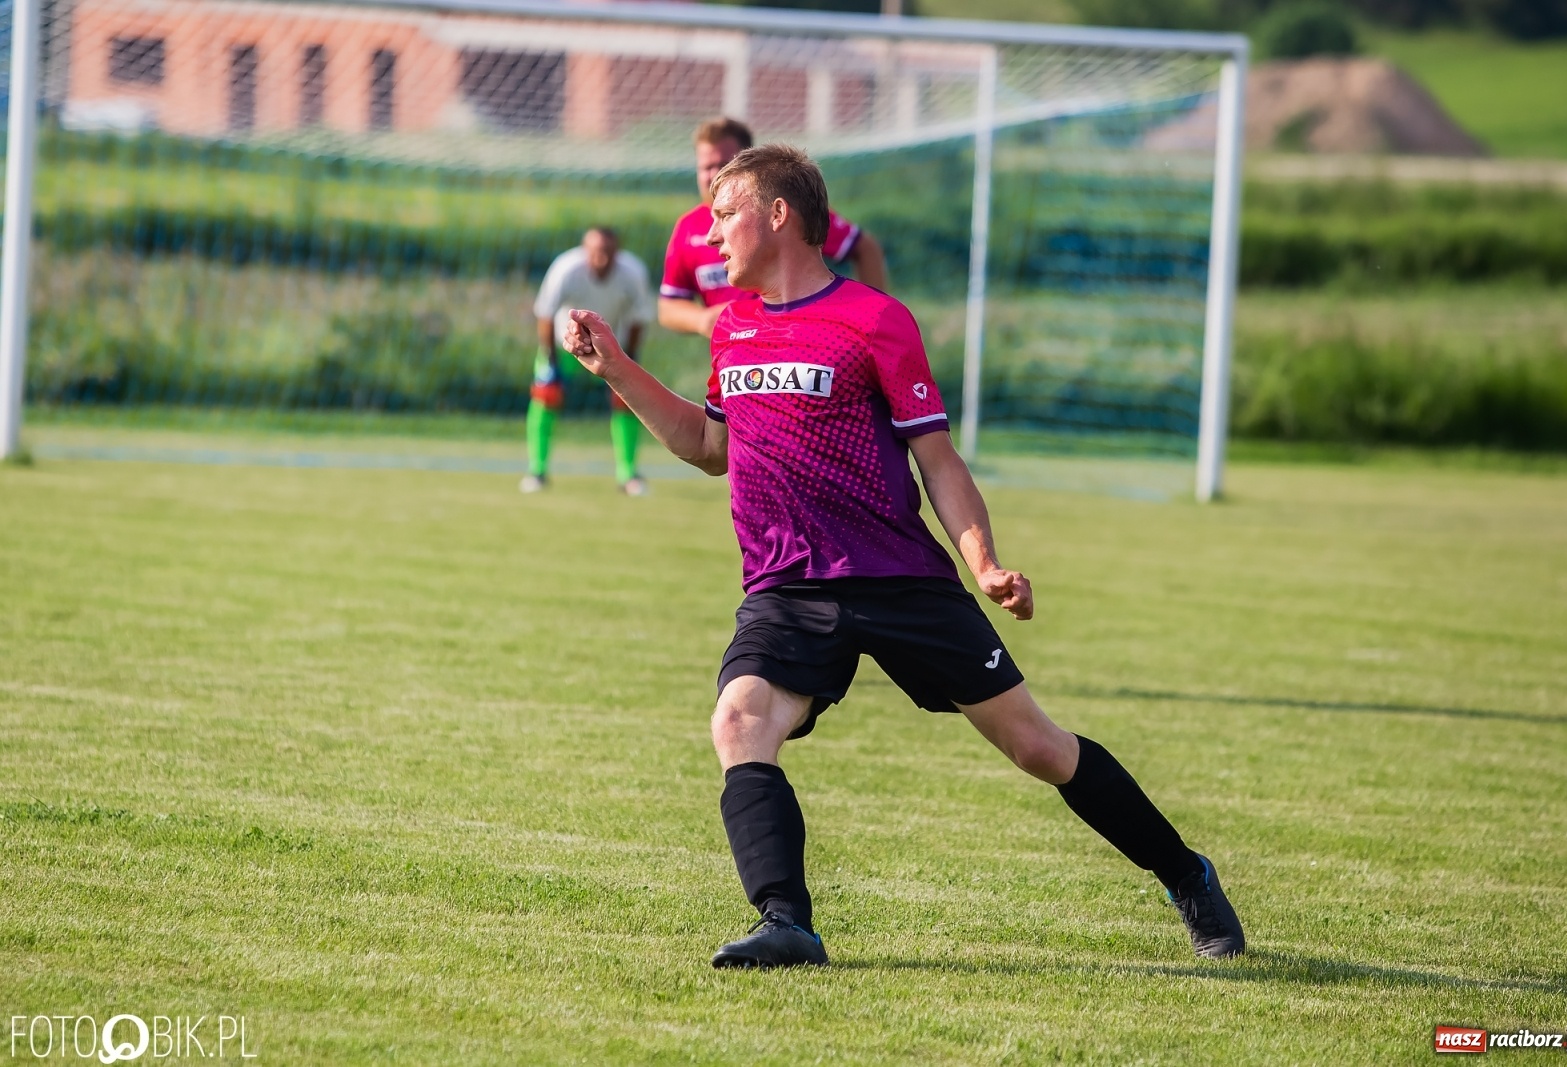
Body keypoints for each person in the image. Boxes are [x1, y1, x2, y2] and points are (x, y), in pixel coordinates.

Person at [564, 145, 1245, 968]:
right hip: (786, 584)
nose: (709, 236)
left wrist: (984, 561)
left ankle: (1186, 873)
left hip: (899, 578)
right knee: (740, 722)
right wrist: (616, 369)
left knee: (1037, 747)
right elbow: (711, 445)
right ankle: (788, 921)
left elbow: (939, 459)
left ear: (778, 214)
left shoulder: (875, 319)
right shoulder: (734, 327)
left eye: (723, 213)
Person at [658, 117, 888, 340]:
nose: (714, 174)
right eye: (706, 167)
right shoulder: (688, 228)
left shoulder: (782, 211)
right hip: (735, 361)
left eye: (724, 164)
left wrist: (869, 321)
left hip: (801, 345)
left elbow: (864, 248)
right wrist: (704, 320)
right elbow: (668, 306)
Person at [523, 227, 653, 496]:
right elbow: (545, 314)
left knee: (627, 402)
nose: (602, 259)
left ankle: (627, 475)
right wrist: (551, 361)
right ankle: (537, 471)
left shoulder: (633, 273)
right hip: (565, 347)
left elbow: (639, 317)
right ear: (585, 251)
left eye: (608, 253)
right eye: (596, 252)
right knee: (545, 397)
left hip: (610, 349)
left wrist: (630, 359)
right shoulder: (565, 269)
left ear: (618, 252)